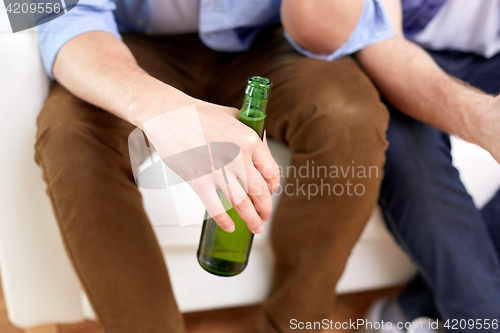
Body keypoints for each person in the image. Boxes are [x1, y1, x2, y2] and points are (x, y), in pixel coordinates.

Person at [35, 1, 393, 332]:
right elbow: (56, 19)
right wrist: (162, 110)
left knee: (350, 120)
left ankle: (291, 323)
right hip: (122, 43)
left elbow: (335, 28)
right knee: (71, 134)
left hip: (267, 41)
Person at [282, 0, 500, 332]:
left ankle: (414, 308)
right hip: (394, 54)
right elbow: (379, 41)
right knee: (409, 153)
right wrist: (484, 119)